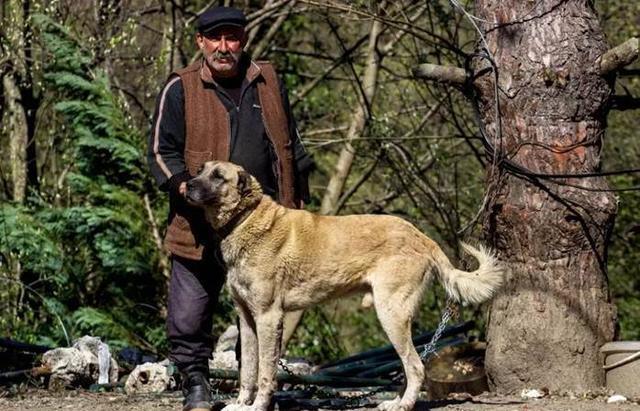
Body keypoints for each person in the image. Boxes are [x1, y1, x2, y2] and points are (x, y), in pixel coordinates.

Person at [147, 6, 313, 411]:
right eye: (216, 38)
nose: (224, 47)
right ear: (201, 42)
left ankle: (257, 391)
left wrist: (300, 201)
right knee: (188, 317)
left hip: (264, 227)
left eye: (232, 37)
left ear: (243, 41)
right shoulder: (180, 87)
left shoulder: (267, 81)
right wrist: (184, 186)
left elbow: (291, 145)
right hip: (198, 224)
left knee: (262, 316)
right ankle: (197, 386)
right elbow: (159, 152)